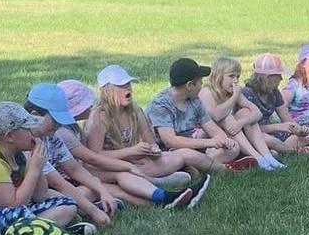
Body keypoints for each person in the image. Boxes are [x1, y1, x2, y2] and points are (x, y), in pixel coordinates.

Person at [53, 81, 195, 211]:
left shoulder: (70, 126)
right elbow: (91, 158)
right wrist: (128, 165)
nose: (91, 105)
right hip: (72, 179)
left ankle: (165, 198)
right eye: (86, 103)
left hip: (81, 172)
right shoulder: (63, 132)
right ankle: (163, 198)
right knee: (116, 182)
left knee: (117, 182)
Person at [85, 65, 212, 201]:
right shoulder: (100, 117)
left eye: (128, 84)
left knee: (176, 158)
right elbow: (94, 157)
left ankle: (149, 180)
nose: (128, 88)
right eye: (121, 86)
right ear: (107, 91)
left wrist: (153, 151)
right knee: (126, 171)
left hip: (134, 161)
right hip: (107, 167)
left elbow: (151, 142)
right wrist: (131, 152)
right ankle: (155, 182)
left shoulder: (135, 111)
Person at [0, 103, 82, 233]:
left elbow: (40, 196)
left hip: (8, 211)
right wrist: (33, 170)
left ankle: (39, 230)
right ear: (9, 136)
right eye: (27, 130)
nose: (33, 134)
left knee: (67, 203)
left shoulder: (18, 154)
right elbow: (13, 205)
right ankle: (38, 232)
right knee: (22, 213)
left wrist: (37, 166)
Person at [23, 82, 116, 231]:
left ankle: (78, 213)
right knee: (68, 206)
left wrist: (102, 191)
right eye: (55, 120)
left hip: (42, 195)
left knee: (87, 191)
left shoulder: (50, 137)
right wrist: (94, 212)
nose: (59, 125)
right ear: (35, 115)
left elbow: (74, 169)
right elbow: (58, 183)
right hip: (25, 201)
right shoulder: (27, 143)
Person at [146, 59, 250, 172]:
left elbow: (211, 127)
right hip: (166, 152)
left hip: (191, 145)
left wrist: (223, 140)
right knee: (186, 154)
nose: (202, 85)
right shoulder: (161, 105)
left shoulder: (194, 100)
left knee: (234, 148)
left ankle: (196, 166)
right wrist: (210, 142)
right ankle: (225, 169)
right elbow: (170, 141)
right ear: (190, 85)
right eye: (200, 81)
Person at [199, 57, 287, 170]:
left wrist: (241, 123)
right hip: (206, 135)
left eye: (238, 76)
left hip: (230, 133)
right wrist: (234, 97)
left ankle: (267, 156)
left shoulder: (233, 91)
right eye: (231, 76)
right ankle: (258, 157)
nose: (235, 80)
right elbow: (216, 116)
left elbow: (257, 113)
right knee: (227, 118)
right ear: (218, 76)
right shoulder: (207, 92)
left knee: (246, 112)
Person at [240, 54, 309, 155]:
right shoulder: (248, 94)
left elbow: (287, 119)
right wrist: (279, 126)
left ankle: (277, 150)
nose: (281, 78)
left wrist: (299, 129)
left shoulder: (274, 93)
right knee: (268, 140)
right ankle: (292, 151)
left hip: (272, 132)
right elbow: (249, 128)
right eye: (278, 75)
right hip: (254, 134)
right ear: (268, 78)